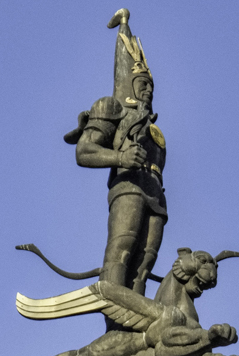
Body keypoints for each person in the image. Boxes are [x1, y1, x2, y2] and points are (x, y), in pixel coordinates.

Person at [64, 9, 167, 298]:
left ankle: (134, 315)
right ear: (130, 83)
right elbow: (84, 151)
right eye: (143, 84)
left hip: (156, 194)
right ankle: (111, 302)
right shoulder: (111, 108)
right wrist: (121, 158)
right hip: (128, 186)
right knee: (123, 247)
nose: (148, 90)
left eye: (151, 85)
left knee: (145, 261)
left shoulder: (154, 128)